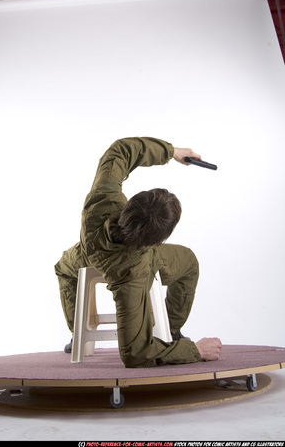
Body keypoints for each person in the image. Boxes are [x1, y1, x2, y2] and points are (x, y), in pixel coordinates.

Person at [55, 136, 222, 368]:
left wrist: (172, 151)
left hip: (85, 253)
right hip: (127, 267)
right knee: (190, 262)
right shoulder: (134, 273)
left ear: (131, 204)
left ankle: (77, 335)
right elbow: (135, 353)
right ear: (157, 241)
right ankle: (172, 331)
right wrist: (195, 350)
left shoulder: (103, 197)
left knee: (63, 267)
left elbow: (121, 150)